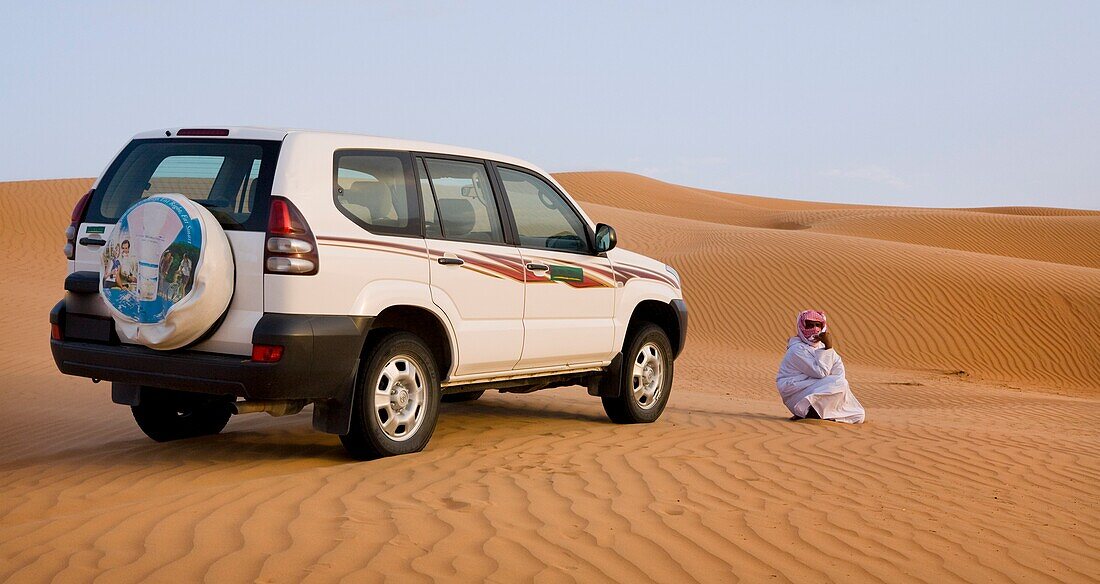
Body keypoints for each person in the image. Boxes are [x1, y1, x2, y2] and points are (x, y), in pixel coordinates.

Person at [776, 310, 865, 424]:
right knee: (839, 383)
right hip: (797, 392)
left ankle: (823, 415)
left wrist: (827, 349)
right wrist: (828, 348)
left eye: (818, 325)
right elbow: (821, 372)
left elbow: (838, 370)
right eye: (810, 325)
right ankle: (806, 411)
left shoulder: (821, 346)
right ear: (802, 326)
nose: (815, 329)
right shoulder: (796, 349)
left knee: (858, 414)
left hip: (817, 387)